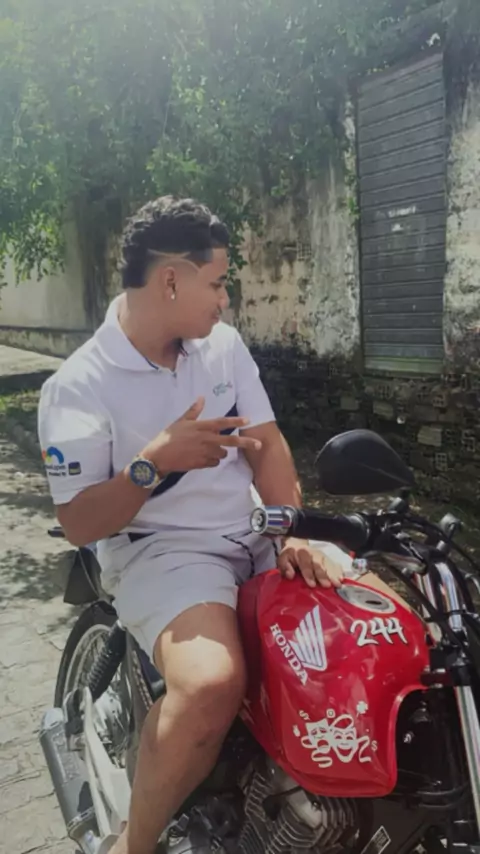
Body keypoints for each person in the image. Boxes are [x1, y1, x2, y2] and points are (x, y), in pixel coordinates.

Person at [38, 197, 344, 854]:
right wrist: (153, 463)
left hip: (256, 531)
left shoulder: (221, 348)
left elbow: (266, 443)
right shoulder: (78, 385)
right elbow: (78, 521)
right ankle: (134, 843)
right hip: (165, 552)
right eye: (217, 283)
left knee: (370, 631)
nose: (225, 300)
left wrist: (291, 530)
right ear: (171, 280)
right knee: (210, 683)